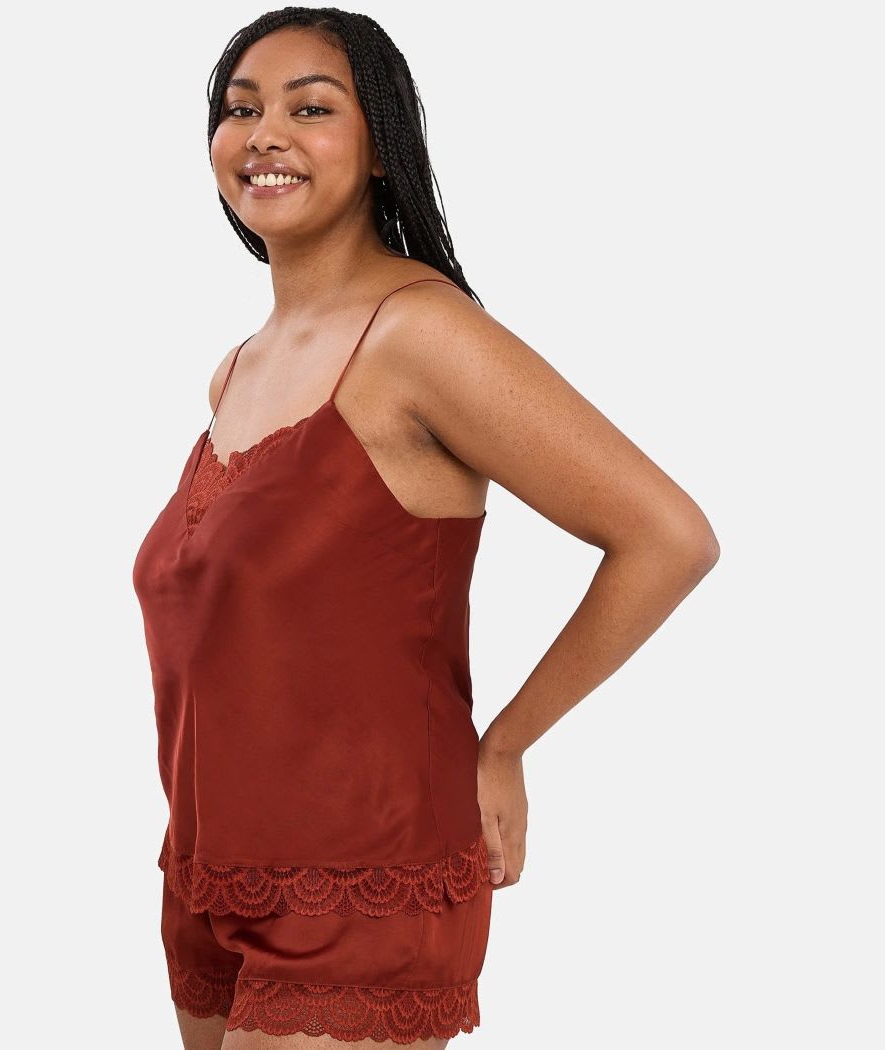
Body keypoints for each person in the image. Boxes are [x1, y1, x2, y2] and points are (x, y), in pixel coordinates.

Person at [133, 8, 720, 1048]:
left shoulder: (420, 335)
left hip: (368, 878)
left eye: (311, 109)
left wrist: (508, 742)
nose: (265, 135)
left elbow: (667, 536)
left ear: (379, 148)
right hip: (209, 872)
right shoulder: (236, 370)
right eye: (241, 109)